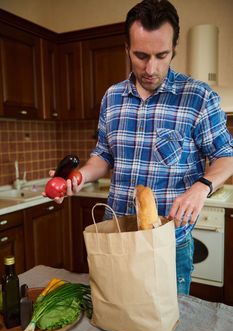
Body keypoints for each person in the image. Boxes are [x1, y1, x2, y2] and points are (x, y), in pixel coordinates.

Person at [54, 0, 233, 294]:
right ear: (127, 48)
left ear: (174, 48)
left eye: (161, 55)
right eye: (140, 55)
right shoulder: (112, 97)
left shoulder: (198, 97)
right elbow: (103, 156)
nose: (151, 68)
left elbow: (226, 156)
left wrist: (202, 186)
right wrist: (78, 177)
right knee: (112, 324)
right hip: (116, 238)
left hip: (169, 244)